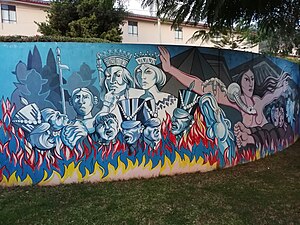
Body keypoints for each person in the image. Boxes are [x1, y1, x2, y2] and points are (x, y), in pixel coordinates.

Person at [158, 46, 290, 128]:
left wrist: (283, 87)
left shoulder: (258, 101)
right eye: (246, 79)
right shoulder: (235, 100)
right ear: (239, 82)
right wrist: (170, 69)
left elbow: (274, 94)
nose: (250, 83)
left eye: (252, 79)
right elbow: (199, 86)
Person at [134, 54, 177, 119]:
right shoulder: (136, 101)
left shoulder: (169, 99)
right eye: (139, 72)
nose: (142, 76)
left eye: (148, 72)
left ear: (157, 75)